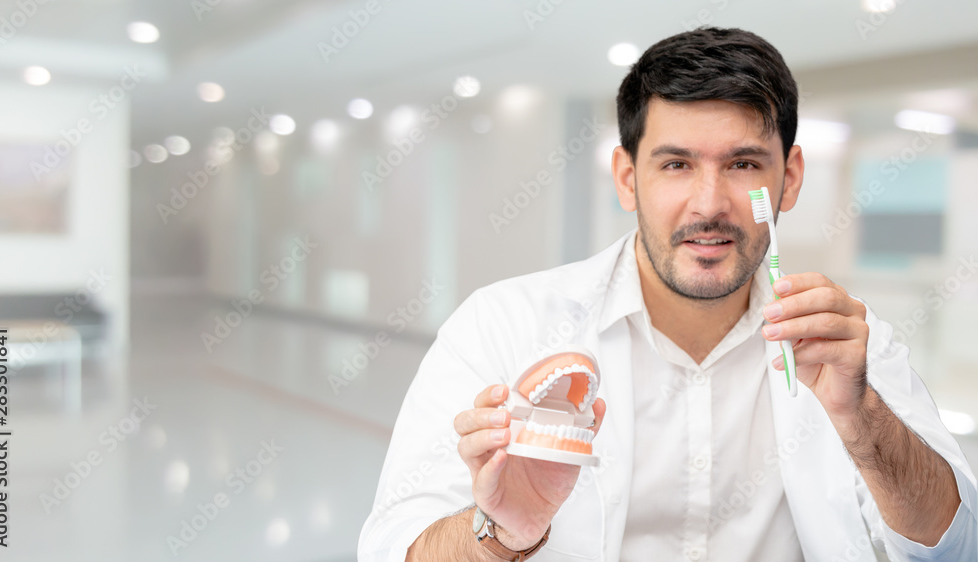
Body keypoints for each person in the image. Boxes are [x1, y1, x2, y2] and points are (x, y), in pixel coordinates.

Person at [358, 27, 977, 561]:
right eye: (676, 165)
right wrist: (500, 535)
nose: (708, 205)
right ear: (628, 179)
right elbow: (392, 547)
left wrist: (861, 416)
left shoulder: (851, 352)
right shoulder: (501, 328)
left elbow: (958, 543)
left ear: (787, 180)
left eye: (742, 164)